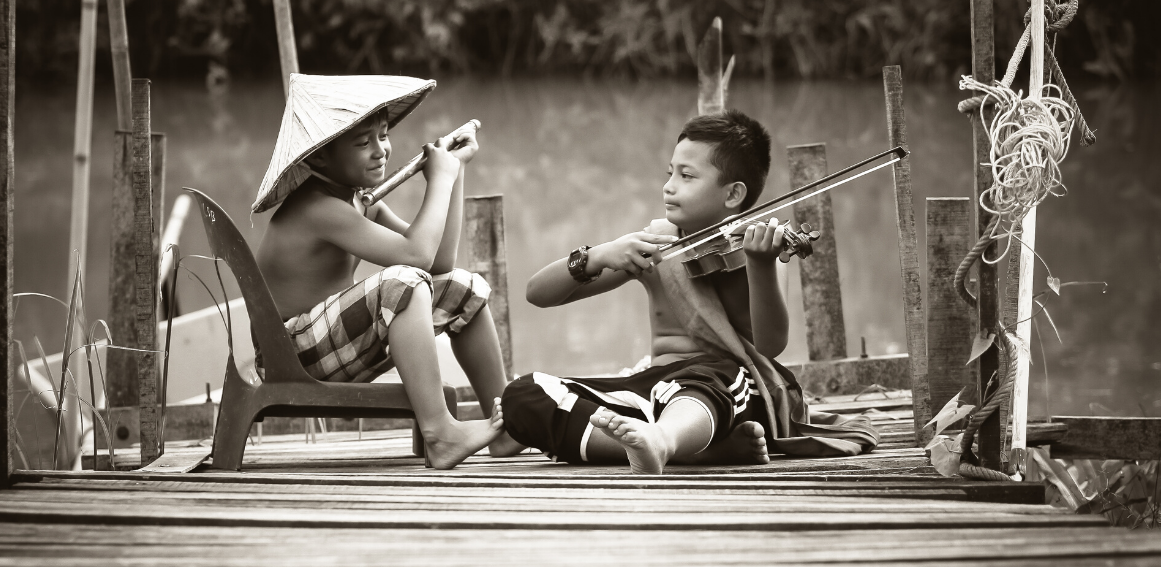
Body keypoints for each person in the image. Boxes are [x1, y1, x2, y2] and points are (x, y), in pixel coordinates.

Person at [500, 109, 878, 474]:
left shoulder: (756, 250)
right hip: (655, 390)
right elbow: (539, 293)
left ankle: (665, 440)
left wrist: (761, 266)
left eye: (687, 176)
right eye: (670, 173)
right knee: (524, 395)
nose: (669, 186)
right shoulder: (654, 245)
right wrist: (598, 255)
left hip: (729, 390)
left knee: (715, 375)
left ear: (732, 195)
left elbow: (770, 346)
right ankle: (684, 450)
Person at [252, 74, 521, 469]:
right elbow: (416, 258)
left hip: (332, 345)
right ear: (321, 157)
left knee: (463, 288)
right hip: (292, 353)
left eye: (383, 135)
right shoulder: (316, 208)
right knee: (403, 283)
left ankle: (510, 427)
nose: (381, 151)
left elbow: (439, 264)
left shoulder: (360, 201)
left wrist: (454, 172)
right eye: (363, 143)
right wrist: (439, 181)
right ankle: (440, 432)